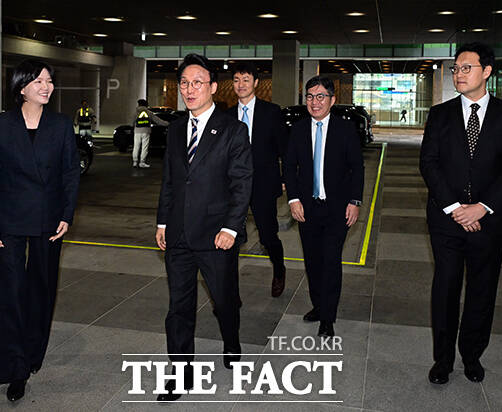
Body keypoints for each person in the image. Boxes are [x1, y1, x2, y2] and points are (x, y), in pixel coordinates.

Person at [420, 42, 502, 385]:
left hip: (489, 220)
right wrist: (455, 208)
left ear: (487, 71)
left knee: (482, 290)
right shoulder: (440, 114)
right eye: (456, 69)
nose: (458, 74)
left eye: (466, 68)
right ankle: (443, 360)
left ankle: (471, 355)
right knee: (445, 289)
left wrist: (482, 207)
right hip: (446, 220)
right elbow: (429, 163)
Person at [0, 59, 80, 402]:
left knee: (41, 288)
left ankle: (33, 351)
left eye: (49, 80)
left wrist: (66, 213)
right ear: (21, 87)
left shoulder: (61, 125)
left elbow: (70, 173)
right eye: (38, 81)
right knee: (10, 290)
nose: (46, 86)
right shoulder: (0, 124)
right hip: (9, 219)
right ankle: (14, 368)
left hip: (49, 219)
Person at [155, 54, 252, 402]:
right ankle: (181, 373)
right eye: (184, 83)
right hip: (179, 234)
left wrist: (231, 228)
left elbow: (242, 183)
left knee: (224, 301)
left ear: (212, 87)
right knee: (179, 307)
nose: (189, 89)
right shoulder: (176, 129)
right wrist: (162, 221)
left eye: (197, 82)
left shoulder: (233, 130)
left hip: (216, 235)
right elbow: (170, 181)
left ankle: (232, 340)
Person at [284, 76, 364, 338]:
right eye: (309, 96)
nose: (314, 102)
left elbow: (357, 168)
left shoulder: (345, 129)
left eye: (320, 96)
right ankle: (318, 306)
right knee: (312, 261)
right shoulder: (298, 129)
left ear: (332, 100)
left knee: (330, 261)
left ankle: (328, 317)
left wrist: (355, 201)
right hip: (306, 209)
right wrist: (293, 199)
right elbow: (289, 167)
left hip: (337, 209)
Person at [226, 62, 288, 297]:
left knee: (268, 235)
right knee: (230, 235)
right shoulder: (226, 116)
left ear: (256, 83)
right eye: (236, 80)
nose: (240, 85)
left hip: (263, 185)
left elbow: (285, 150)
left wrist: (285, 178)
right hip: (233, 187)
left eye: (245, 80)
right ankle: (228, 288)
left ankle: (279, 269)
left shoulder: (271, 112)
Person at [132, 99, 169, 168]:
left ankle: (135, 162)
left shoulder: (135, 113)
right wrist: (167, 123)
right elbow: (158, 121)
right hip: (146, 131)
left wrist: (133, 127)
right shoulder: (149, 113)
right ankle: (142, 162)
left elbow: (133, 122)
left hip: (137, 131)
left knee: (136, 146)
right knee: (144, 147)